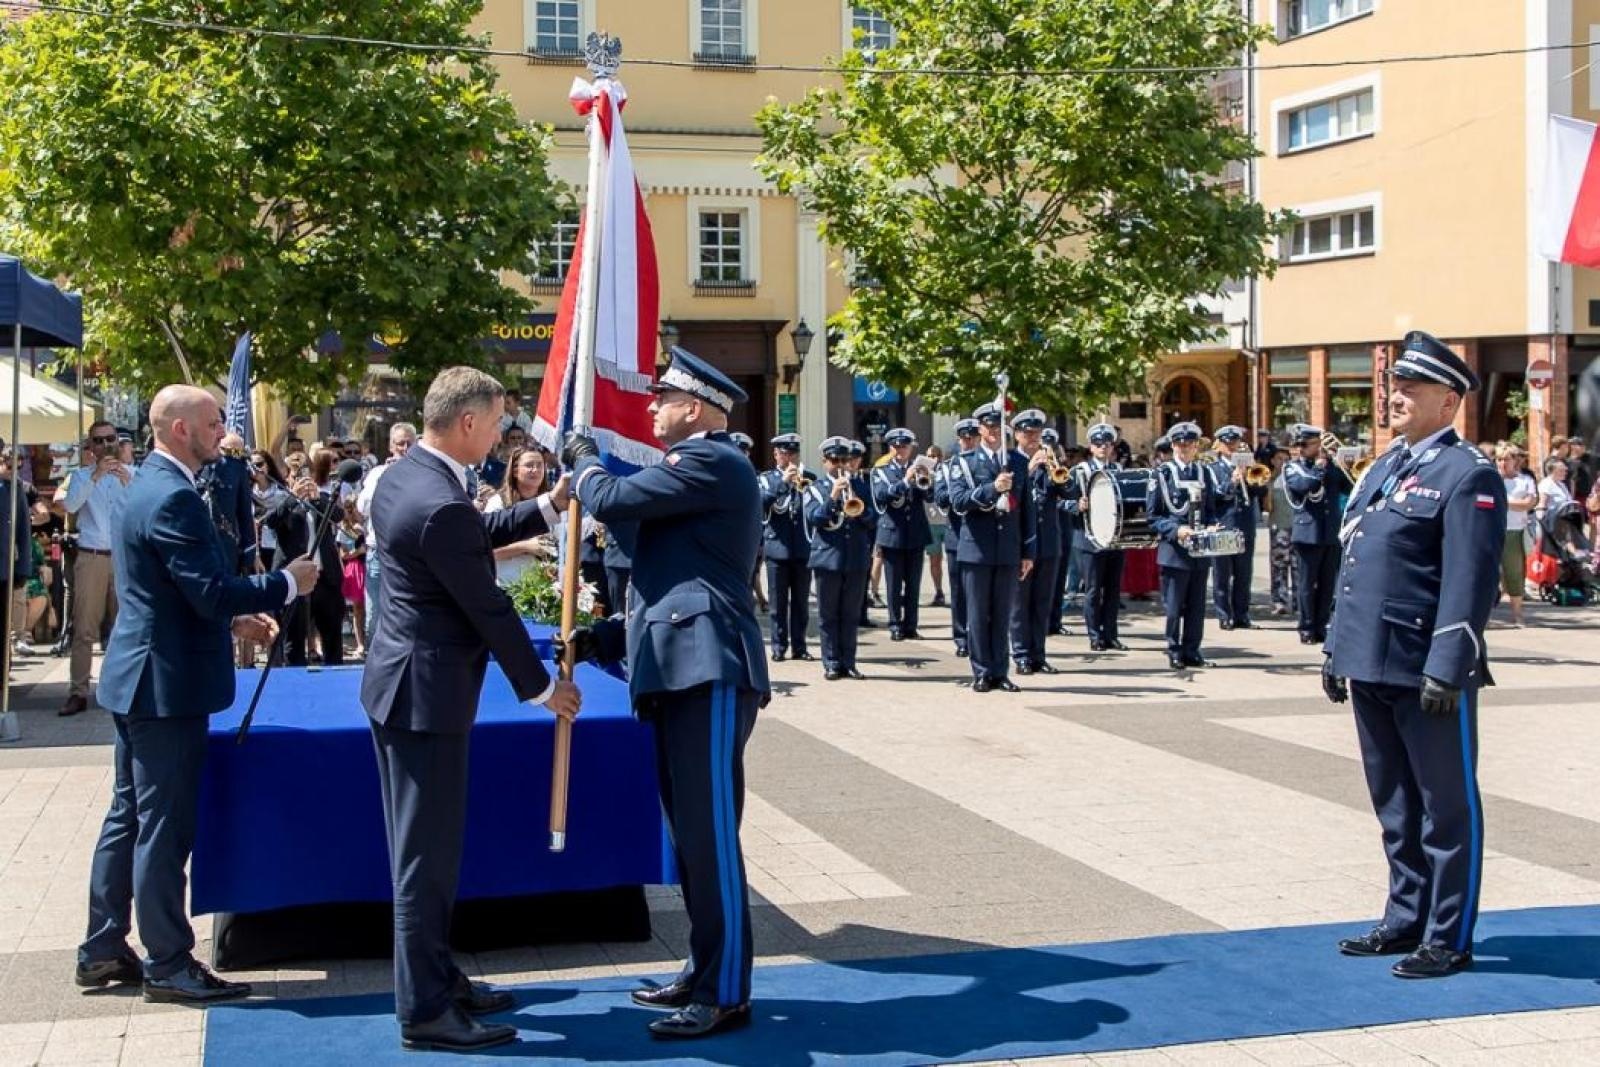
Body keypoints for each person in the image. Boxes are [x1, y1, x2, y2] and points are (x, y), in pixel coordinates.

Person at [361, 366, 580, 1053]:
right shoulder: (440, 499)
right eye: (492, 424)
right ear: (465, 423)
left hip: (403, 684)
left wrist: (547, 505)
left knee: (426, 853)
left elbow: (470, 535)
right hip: (425, 695)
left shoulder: (407, 476)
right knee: (425, 861)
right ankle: (424, 1008)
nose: (497, 437)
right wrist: (543, 687)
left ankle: (436, 976)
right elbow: (486, 602)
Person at [76, 386, 315, 1001]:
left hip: (146, 675)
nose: (222, 432)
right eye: (212, 423)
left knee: (128, 817)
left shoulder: (151, 487)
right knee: (162, 824)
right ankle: (168, 961)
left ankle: (104, 946)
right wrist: (285, 582)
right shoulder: (174, 495)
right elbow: (209, 589)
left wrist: (231, 619)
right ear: (180, 428)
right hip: (165, 685)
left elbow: (173, 591)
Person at [561, 346, 769, 1039]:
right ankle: (703, 966)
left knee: (711, 838)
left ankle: (726, 989)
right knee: (689, 838)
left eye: (663, 397)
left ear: (699, 406)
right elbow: (673, 578)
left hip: (707, 669)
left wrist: (585, 456)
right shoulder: (693, 475)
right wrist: (608, 637)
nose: (650, 408)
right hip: (677, 665)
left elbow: (613, 497)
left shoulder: (713, 460)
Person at [1322, 330, 1505, 980]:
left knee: (1446, 806)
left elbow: (1470, 577)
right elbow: (1359, 561)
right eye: (1394, 384)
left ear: (1449, 400)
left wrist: (1449, 664)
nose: (1394, 394)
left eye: (1411, 386)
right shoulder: (1385, 467)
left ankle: (1448, 933)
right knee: (1394, 802)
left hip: (1426, 668)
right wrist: (1336, 648)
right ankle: (1405, 916)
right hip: (1370, 660)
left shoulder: (1468, 473)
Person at [948, 402, 1035, 692]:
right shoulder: (964, 462)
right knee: (977, 613)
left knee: (1002, 613)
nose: (994, 432)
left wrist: (1027, 552)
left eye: (999, 427)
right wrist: (992, 489)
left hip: (1008, 549)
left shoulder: (1017, 462)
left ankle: (1001, 671)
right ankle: (982, 671)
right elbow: (958, 502)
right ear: (980, 430)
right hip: (977, 549)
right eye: (989, 427)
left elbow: (1027, 511)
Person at [58, 420, 133, 717]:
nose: (104, 446)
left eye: (109, 439)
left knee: (125, 626)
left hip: (124, 558)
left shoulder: (133, 475)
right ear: (90, 447)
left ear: (117, 441)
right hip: (92, 556)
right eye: (98, 441)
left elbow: (145, 505)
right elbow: (71, 506)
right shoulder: (80, 476)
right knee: (84, 628)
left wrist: (126, 478)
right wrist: (96, 476)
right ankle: (78, 691)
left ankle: (122, 690)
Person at [1146, 422, 1226, 670]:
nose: (1185, 449)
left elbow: (1211, 510)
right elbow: (1154, 516)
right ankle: (1174, 649)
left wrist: (1213, 526)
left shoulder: (1203, 473)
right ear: (1172, 446)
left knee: (1196, 605)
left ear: (1195, 447)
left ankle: (1193, 649)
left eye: (1189, 445)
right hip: (1174, 551)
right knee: (1174, 606)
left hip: (1199, 550)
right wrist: (1176, 530)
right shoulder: (1163, 474)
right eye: (1180, 445)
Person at [805, 436, 874, 680]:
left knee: (851, 614)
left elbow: (873, 520)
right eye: (834, 460)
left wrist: (861, 512)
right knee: (829, 614)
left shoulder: (862, 487)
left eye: (844, 460)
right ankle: (832, 662)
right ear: (824, 462)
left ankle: (849, 662)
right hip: (828, 559)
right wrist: (833, 497)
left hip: (855, 558)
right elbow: (815, 519)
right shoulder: (814, 488)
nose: (839, 465)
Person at [1284, 424, 1354, 644]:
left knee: (1326, 584)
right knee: (1307, 584)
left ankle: (1322, 625)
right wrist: (1321, 466)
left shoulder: (1331, 467)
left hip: (1330, 532)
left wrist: (1347, 466)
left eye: (1307, 444)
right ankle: (1306, 626)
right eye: (1299, 445)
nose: (1301, 448)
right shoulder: (1293, 467)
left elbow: (1350, 487)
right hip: (1308, 533)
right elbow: (1304, 485)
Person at [1009, 410, 1066, 674]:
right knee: (1021, 602)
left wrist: (1057, 468)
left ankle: (1038, 654)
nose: (1033, 438)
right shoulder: (1011, 462)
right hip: (1022, 542)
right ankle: (1020, 654)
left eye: (1037, 433)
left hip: (1049, 541)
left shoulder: (1049, 461)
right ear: (1017, 435)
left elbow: (1067, 490)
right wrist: (1029, 470)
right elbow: (1010, 498)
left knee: (1043, 601)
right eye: (1027, 433)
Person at [1065, 423, 1127, 652]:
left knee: (1112, 589)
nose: (1103, 448)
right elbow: (1061, 501)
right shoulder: (1079, 471)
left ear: (1112, 447)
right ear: (1091, 447)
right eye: (1098, 444)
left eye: (1107, 444)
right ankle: (1094, 635)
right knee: (1093, 589)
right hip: (1088, 538)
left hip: (1114, 538)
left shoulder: (1118, 470)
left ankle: (1111, 634)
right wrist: (1076, 504)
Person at [355, 421, 417, 644]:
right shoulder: (376, 474)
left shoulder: (423, 474)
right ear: (391, 446)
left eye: (410, 443)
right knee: (375, 616)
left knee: (408, 615)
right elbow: (363, 509)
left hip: (411, 555)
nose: (405, 448)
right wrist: (389, 477)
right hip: (378, 553)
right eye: (400, 444)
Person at [871, 428, 932, 640]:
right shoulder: (881, 471)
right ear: (890, 448)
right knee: (894, 584)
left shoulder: (918, 469)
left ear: (910, 449)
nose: (900, 451)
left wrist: (926, 479)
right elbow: (881, 495)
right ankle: (895, 624)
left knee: (914, 584)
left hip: (915, 533)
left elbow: (931, 497)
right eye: (896, 447)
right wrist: (906, 481)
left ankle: (911, 625)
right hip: (892, 534)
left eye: (904, 447)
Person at [757, 433, 814, 661]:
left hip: (802, 548)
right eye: (784, 453)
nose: (788, 458)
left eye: (792, 454)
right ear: (775, 454)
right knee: (778, 603)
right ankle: (779, 647)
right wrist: (783, 484)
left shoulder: (808, 478)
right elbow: (761, 503)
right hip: (777, 549)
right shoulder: (766, 479)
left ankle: (800, 647)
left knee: (801, 603)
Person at [1207, 425, 1263, 630]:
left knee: (1244, 573)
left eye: (1235, 443)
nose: (1231, 447)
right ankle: (1224, 615)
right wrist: (1232, 481)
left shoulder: (1248, 465)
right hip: (1224, 524)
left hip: (1245, 525)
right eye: (1228, 443)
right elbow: (1214, 495)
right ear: (1219, 445)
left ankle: (1242, 614)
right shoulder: (1212, 469)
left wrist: (1251, 471)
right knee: (1222, 573)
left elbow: (1261, 491)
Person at [935, 420, 980, 657]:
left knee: (980, 592)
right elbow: (940, 497)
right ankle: (962, 637)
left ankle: (980, 637)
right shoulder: (947, 467)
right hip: (957, 536)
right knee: (959, 591)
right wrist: (959, 491)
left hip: (981, 538)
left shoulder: (984, 466)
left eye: (973, 437)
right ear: (959, 440)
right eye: (965, 438)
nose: (969, 441)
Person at [484, 447, 559, 586]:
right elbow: (485, 551)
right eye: (529, 465)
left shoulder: (551, 504)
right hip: (506, 584)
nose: (535, 470)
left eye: (540, 465)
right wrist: (525, 547)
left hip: (543, 587)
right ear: (515, 470)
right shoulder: (498, 502)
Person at [1497, 445, 1536, 626]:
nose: (1503, 463)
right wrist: (1514, 503)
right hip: (1492, 530)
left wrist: (1503, 501)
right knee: (1488, 573)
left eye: (1507, 459)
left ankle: (1517, 614)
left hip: (1515, 530)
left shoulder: (1525, 480)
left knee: (1515, 572)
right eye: (1499, 459)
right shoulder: (1490, 478)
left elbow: (1528, 503)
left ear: (1515, 461)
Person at [337, 498, 368, 658]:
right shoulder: (343, 529)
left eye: (353, 508)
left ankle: (369, 642)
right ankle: (360, 644)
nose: (351, 512)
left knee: (369, 606)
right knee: (358, 609)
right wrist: (358, 552)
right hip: (354, 568)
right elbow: (342, 554)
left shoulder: (365, 524)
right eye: (348, 509)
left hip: (367, 565)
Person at [1266, 448, 1295, 616]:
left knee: (1298, 568)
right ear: (1273, 461)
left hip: (1296, 528)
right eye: (1279, 459)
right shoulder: (1269, 478)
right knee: (1279, 567)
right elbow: (1267, 507)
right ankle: (1279, 601)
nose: (1283, 462)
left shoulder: (1295, 478)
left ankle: (1299, 602)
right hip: (1279, 527)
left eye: (1286, 459)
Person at [923, 445, 948, 607]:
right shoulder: (922, 473)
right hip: (931, 523)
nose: (934, 459)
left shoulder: (946, 471)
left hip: (947, 522)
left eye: (936, 455)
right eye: (930, 456)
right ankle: (938, 591)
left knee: (954, 560)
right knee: (935, 560)